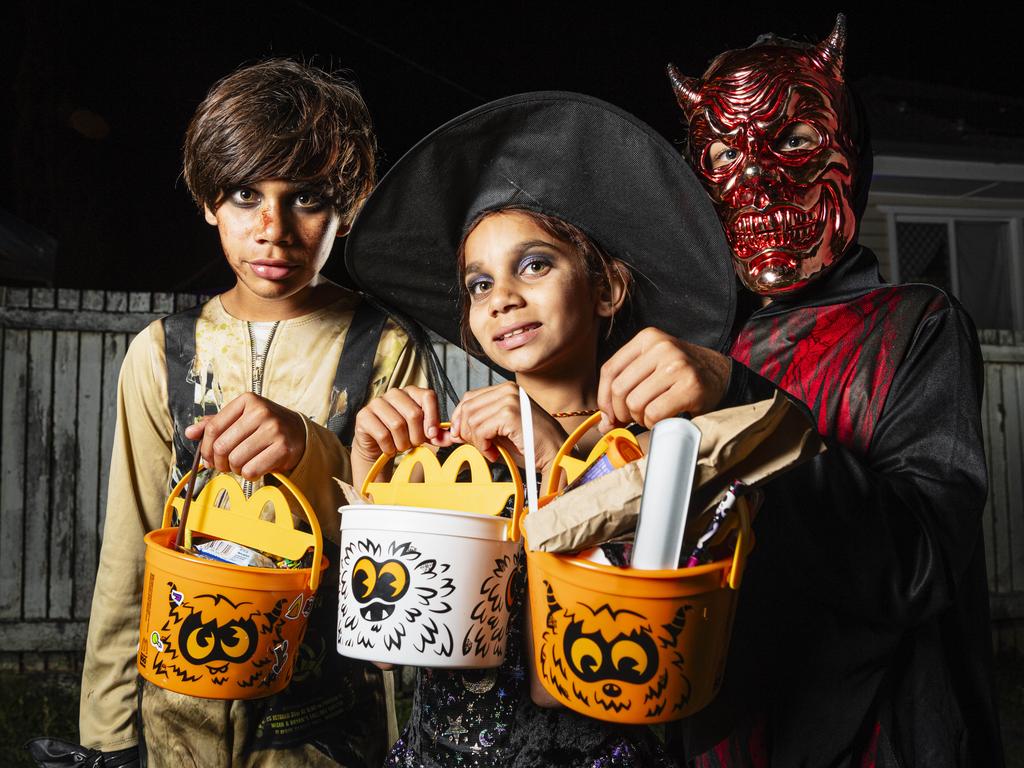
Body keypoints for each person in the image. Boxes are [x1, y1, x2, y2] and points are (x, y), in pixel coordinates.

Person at [578, 13, 1009, 767]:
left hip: (881, 739)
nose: (753, 177)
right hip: (730, 732)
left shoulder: (916, 325)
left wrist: (738, 400)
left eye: (795, 141)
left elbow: (917, 564)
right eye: (720, 153)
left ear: (848, 146)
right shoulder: (715, 346)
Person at [340, 92, 737, 767]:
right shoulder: (461, 459)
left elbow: (585, 681)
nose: (503, 298)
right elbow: (387, 647)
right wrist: (371, 477)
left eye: (534, 264)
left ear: (606, 288)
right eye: (478, 283)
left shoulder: (652, 453)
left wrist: (560, 469)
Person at [72, 59, 427, 768]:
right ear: (207, 199)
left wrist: (311, 448)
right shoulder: (161, 353)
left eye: (307, 198)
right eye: (244, 195)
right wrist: (107, 737)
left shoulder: (385, 347)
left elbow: (401, 567)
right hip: (179, 720)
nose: (273, 228)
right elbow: (129, 548)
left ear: (348, 207)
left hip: (328, 727)